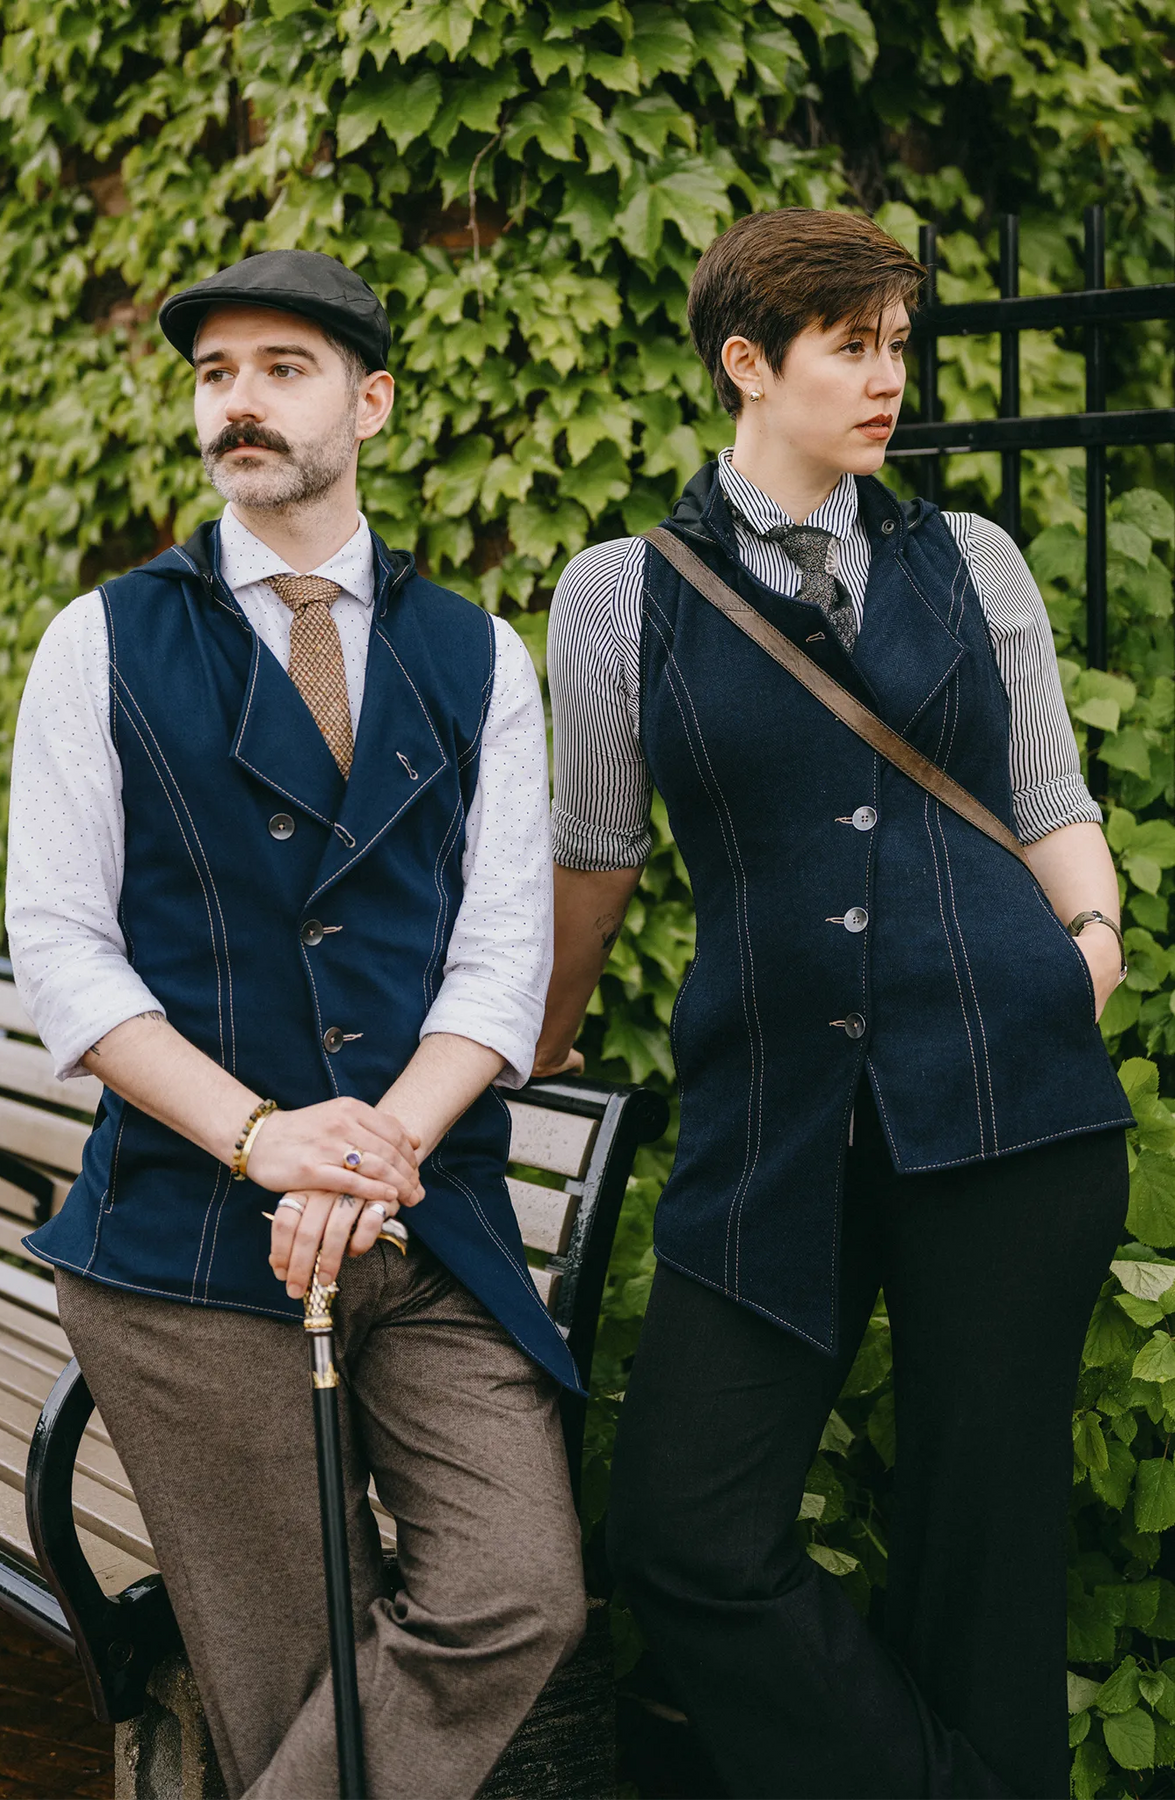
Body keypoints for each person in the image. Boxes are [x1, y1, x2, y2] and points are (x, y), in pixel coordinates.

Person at [537, 208, 1133, 1799]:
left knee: (982, 1553)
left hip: (1013, 1104)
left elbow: (1049, 794)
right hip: (771, 1124)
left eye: (898, 346)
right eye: (851, 347)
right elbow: (593, 853)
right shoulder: (621, 594)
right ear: (748, 362)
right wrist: (538, 1036)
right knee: (685, 1534)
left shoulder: (972, 560)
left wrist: (1092, 936)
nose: (889, 380)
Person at [6, 248, 585, 1800]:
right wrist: (262, 1139)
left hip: (425, 1219)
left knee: (519, 1591)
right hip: (190, 1244)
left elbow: (501, 962)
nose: (238, 403)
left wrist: (371, 1152)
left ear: (371, 402)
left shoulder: (478, 655)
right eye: (216, 375)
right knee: (285, 1678)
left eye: (282, 369)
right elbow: (60, 949)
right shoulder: (99, 642)